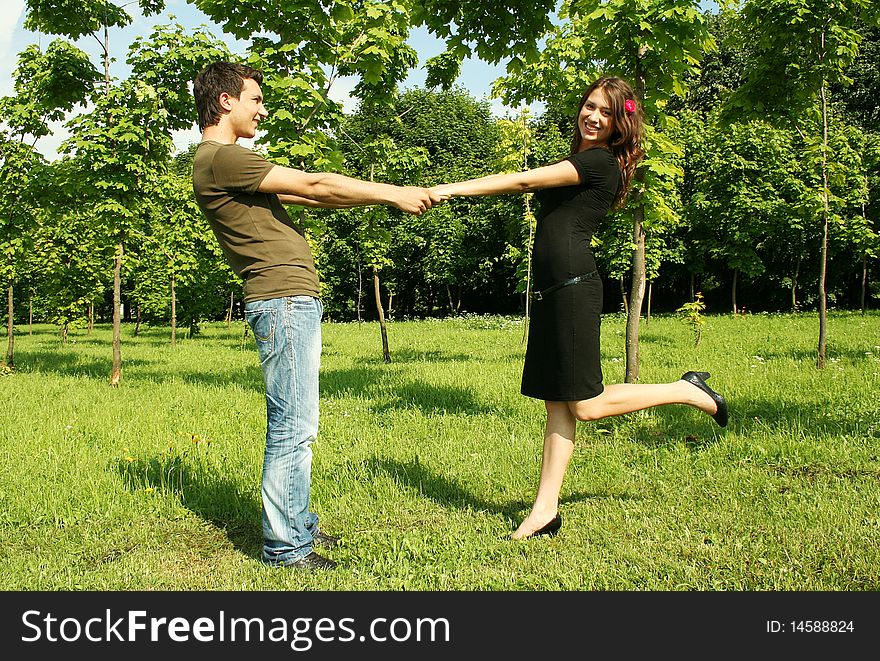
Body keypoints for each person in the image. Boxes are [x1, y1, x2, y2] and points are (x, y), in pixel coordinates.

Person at [431, 76, 728, 540]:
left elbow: (524, 179)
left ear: (618, 125)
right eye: (589, 107)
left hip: (573, 289)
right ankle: (545, 511)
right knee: (558, 405)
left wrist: (452, 189)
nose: (593, 117)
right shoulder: (584, 159)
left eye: (605, 113)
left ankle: (689, 391)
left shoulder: (598, 163)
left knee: (585, 406)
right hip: (554, 292)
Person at [192, 61, 441, 569]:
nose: (262, 109)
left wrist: (377, 201)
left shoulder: (229, 164)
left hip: (288, 300)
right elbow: (316, 184)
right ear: (225, 102)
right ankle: (286, 548)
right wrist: (394, 192)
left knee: (300, 422)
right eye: (255, 99)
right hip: (281, 301)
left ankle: (297, 523)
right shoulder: (220, 159)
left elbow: (314, 197)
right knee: (293, 425)